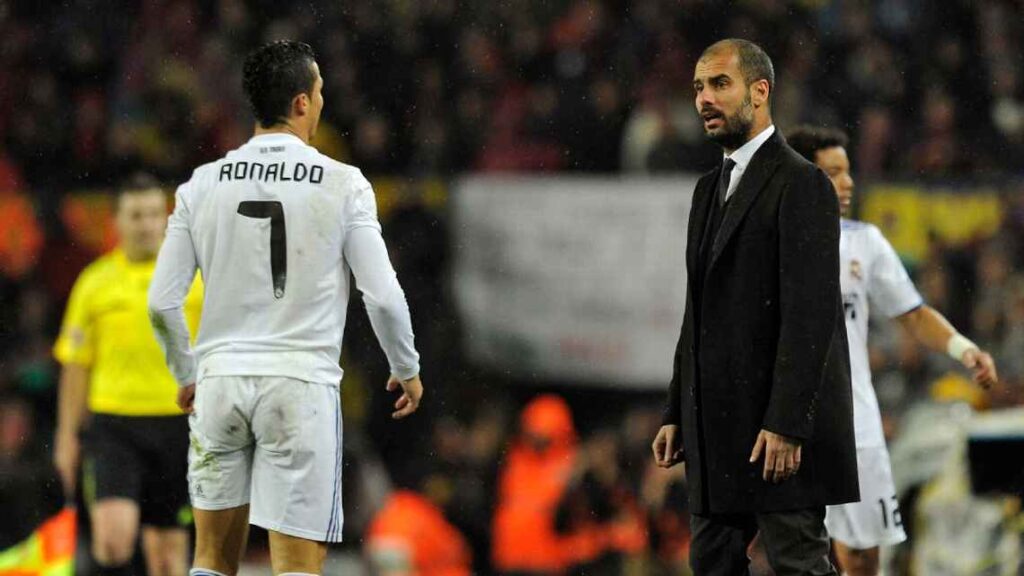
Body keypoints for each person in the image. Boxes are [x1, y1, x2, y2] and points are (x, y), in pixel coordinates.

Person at [147, 40, 423, 576]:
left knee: (209, 561)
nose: (322, 103)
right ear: (300, 102)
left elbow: (161, 301)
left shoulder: (200, 185)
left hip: (219, 383)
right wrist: (406, 368)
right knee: (295, 567)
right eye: (319, 93)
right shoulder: (344, 184)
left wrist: (187, 372)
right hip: (299, 387)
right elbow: (383, 294)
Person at [651, 39, 858, 575]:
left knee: (797, 563)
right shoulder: (705, 191)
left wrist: (788, 422)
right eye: (698, 87)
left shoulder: (804, 183)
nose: (703, 99)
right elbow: (697, 312)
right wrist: (677, 411)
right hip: (716, 428)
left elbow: (811, 315)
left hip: (775, 433)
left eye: (720, 84)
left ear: (760, 92)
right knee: (713, 562)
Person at [786, 125, 999, 576]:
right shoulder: (771, 244)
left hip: (855, 423)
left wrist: (964, 349)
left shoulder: (865, 242)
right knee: (798, 553)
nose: (847, 183)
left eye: (848, 172)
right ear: (804, 178)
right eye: (833, 173)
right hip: (790, 423)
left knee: (863, 555)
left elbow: (914, 314)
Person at [53, 173, 203, 576]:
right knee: (113, 541)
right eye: (136, 215)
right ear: (116, 222)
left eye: (155, 214)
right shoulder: (95, 283)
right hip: (114, 427)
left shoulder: (196, 280)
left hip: (180, 425)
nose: (147, 224)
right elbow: (75, 364)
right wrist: (67, 435)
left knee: (168, 556)